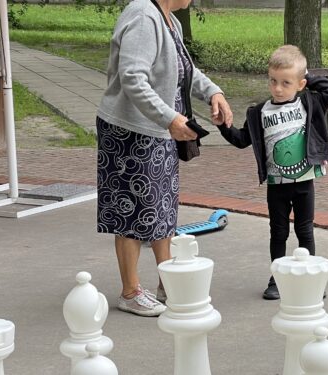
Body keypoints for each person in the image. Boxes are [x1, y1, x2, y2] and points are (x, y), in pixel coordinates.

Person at [96, 0, 233, 317]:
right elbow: (132, 77)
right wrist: (169, 118)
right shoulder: (144, 17)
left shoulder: (171, 20)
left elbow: (185, 71)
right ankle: (130, 292)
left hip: (159, 130)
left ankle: (168, 281)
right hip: (130, 129)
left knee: (161, 206)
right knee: (130, 209)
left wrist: (214, 92)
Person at [215, 45, 328, 300]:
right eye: (273, 81)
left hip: (304, 182)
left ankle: (311, 278)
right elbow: (240, 140)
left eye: (286, 82)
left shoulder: (310, 102)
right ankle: (278, 279)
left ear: (301, 83)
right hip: (277, 185)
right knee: (278, 232)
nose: (278, 88)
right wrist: (223, 126)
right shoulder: (259, 112)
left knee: (305, 231)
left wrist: (305, 75)